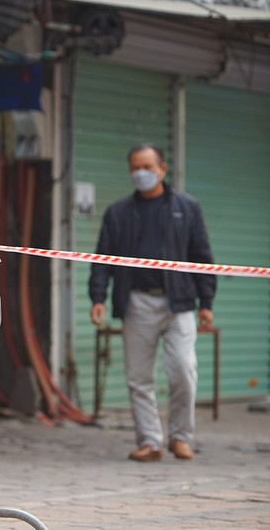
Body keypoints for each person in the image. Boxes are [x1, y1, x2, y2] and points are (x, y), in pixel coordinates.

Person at [88, 143, 216, 462]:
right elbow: (102, 258)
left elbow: (202, 257)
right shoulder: (118, 212)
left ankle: (181, 437)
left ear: (162, 168)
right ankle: (150, 442)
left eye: (146, 166)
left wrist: (206, 302)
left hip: (179, 303)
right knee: (139, 377)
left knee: (184, 370)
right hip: (136, 303)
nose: (140, 173)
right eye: (134, 167)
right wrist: (98, 297)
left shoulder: (187, 208)